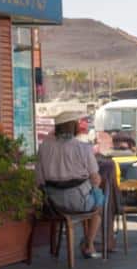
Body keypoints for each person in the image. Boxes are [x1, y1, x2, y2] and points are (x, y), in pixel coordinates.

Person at [36, 111, 105, 259]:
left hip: (53, 205)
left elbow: (39, 180)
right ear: (74, 127)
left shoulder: (44, 147)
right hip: (79, 203)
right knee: (99, 202)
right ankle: (89, 244)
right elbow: (96, 179)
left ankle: (84, 244)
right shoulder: (83, 148)